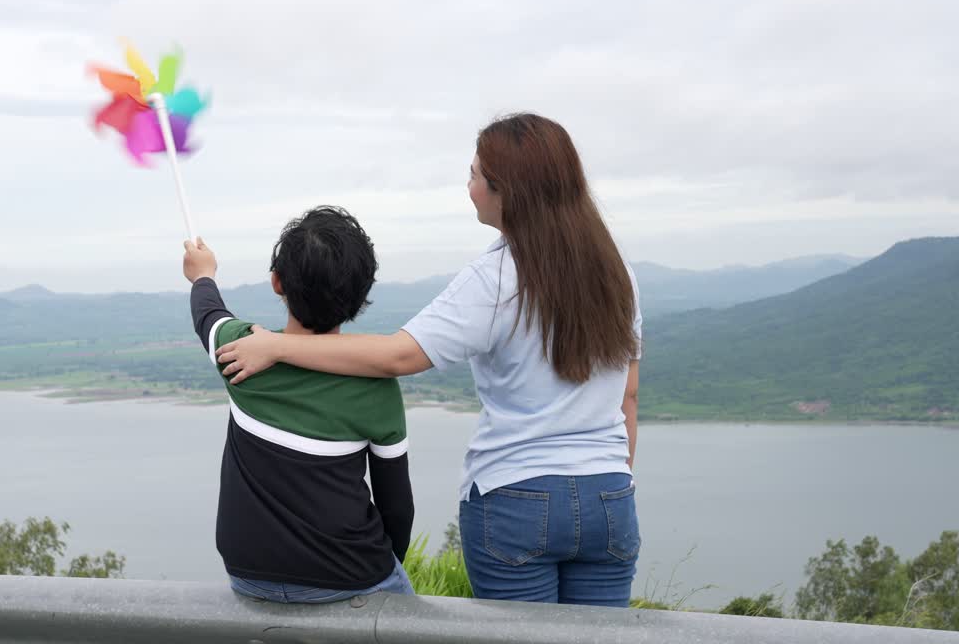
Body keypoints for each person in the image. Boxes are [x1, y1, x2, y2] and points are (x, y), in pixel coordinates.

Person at [216, 113, 643, 606]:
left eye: (475, 175)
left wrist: (276, 345)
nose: (469, 187)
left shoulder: (496, 279)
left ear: (508, 192)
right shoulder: (618, 274)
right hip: (610, 495)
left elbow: (399, 355)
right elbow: (628, 394)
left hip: (518, 496)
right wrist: (612, 484)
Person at [183, 205, 416, 603]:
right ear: (361, 296)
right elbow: (397, 506)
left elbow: (207, 314)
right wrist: (383, 565)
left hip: (249, 574)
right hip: (351, 574)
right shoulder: (376, 386)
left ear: (277, 282)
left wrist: (202, 274)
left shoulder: (242, 351)